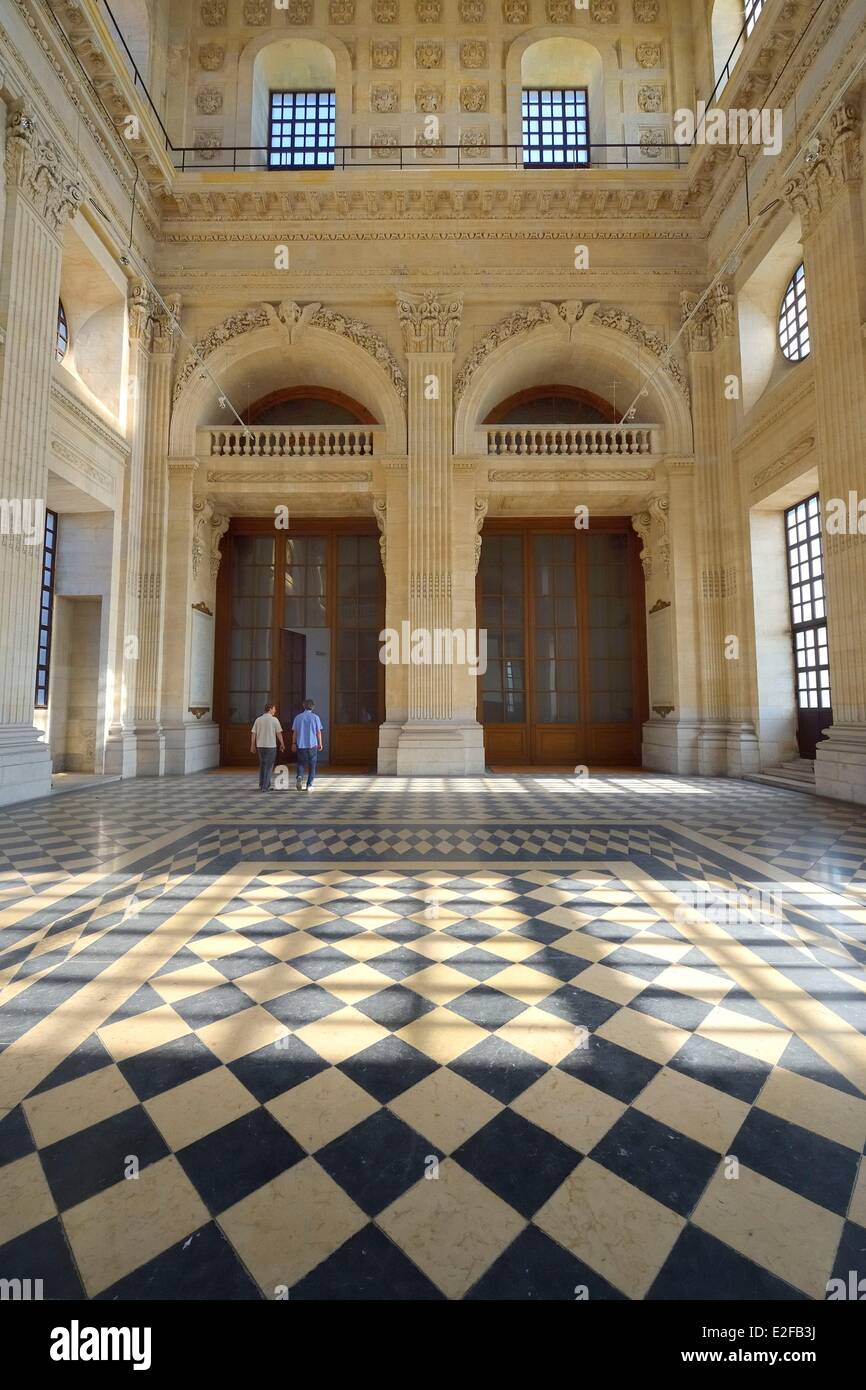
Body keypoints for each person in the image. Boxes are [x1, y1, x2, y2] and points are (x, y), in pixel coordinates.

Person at [250, 701, 284, 792]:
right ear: (270, 709)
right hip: (271, 746)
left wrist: (252, 745)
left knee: (263, 765)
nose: (275, 710)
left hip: (260, 746)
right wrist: (282, 743)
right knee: (269, 766)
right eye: (274, 708)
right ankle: (265, 787)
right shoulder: (274, 720)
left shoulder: (258, 719)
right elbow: (279, 733)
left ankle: (262, 784)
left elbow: (253, 733)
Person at [292, 697, 323, 790]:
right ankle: (309, 785)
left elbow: (295, 732)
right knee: (312, 765)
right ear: (313, 707)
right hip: (312, 745)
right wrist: (320, 743)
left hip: (301, 744)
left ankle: (299, 777)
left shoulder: (298, 717)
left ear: (303, 706)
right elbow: (318, 732)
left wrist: (293, 743)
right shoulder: (315, 717)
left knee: (301, 763)